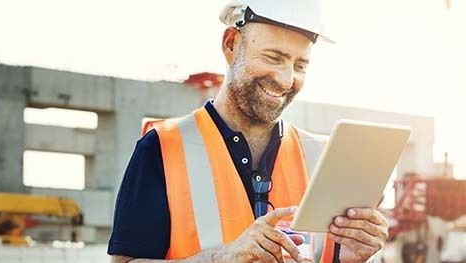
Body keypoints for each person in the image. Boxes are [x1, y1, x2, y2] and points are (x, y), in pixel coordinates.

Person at [108, 0, 389, 262]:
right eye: (273, 57)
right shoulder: (162, 147)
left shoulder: (322, 158)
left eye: (300, 65)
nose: (287, 79)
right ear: (231, 44)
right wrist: (224, 257)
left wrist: (351, 257)